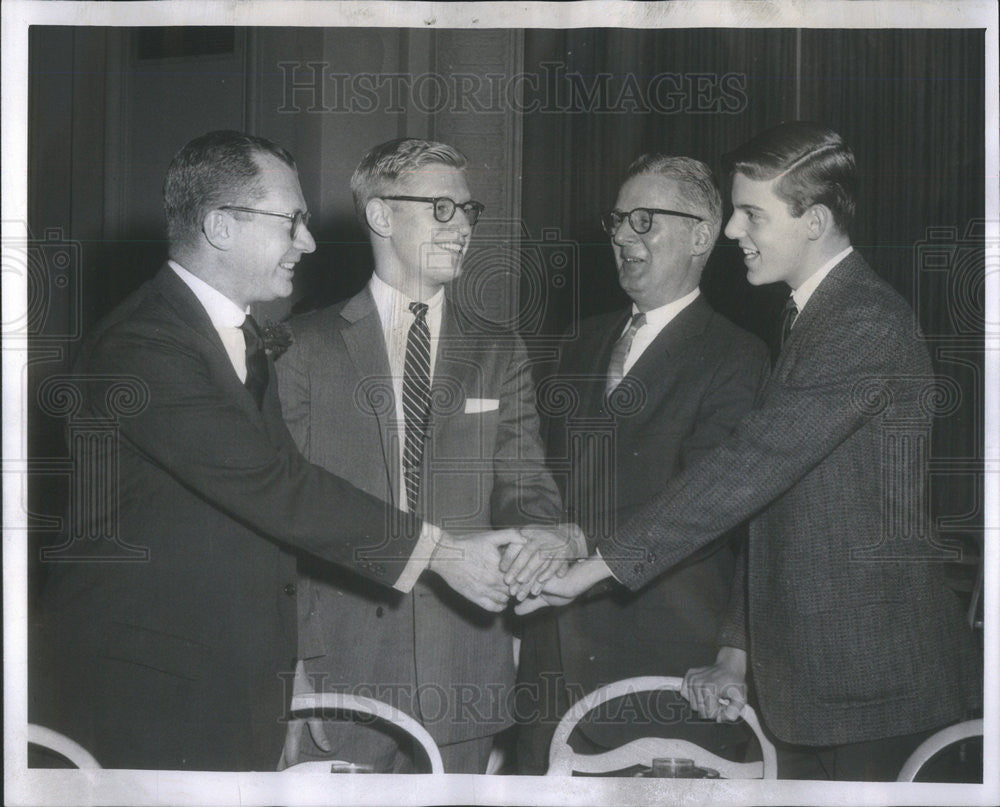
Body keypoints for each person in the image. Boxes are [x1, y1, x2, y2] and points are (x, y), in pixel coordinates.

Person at [29, 130, 524, 771]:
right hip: (146, 690)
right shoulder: (144, 343)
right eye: (291, 222)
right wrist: (441, 551)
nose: (309, 243)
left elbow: (278, 497)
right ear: (220, 227)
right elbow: (273, 483)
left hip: (221, 680)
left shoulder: (234, 337)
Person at [520, 122, 981, 781]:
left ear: (815, 220)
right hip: (818, 682)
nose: (733, 231)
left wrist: (596, 565)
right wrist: (736, 649)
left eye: (750, 214)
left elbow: (747, 468)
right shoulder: (811, 316)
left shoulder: (861, 322)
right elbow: (772, 508)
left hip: (871, 682)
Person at [275, 138, 579, 773]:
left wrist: (539, 532)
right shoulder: (300, 348)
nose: (462, 226)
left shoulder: (498, 349)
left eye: (469, 211)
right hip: (340, 673)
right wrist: (292, 667)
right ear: (381, 216)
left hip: (464, 668)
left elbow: (525, 483)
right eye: (441, 208)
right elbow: (282, 519)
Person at [515, 155, 768, 774]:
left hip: (662, 664)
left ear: (703, 236)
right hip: (550, 663)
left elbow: (703, 503)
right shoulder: (579, 340)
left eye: (645, 221)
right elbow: (542, 472)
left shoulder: (738, 356)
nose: (623, 237)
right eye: (619, 220)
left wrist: (575, 540)